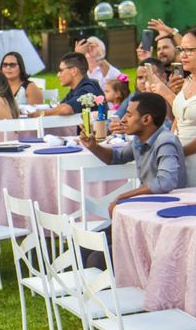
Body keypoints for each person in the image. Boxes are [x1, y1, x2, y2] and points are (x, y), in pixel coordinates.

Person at [79, 92, 186, 269]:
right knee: (85, 246)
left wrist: (124, 197)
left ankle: (115, 293)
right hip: (144, 209)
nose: (123, 119)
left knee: (98, 259)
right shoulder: (139, 140)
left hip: (163, 216)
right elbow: (117, 156)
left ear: (146, 119)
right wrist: (93, 146)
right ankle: (83, 295)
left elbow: (166, 181)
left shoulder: (165, 141)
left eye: (129, 115)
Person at [149, 28, 196, 187]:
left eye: (190, 50)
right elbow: (178, 116)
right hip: (179, 159)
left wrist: (178, 152)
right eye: (182, 49)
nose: (183, 55)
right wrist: (169, 143)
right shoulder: (188, 80)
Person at [40, 52, 105, 116]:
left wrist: (40, 114)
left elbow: (66, 109)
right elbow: (60, 106)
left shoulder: (87, 89)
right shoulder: (76, 89)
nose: (58, 75)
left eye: (61, 70)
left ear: (73, 71)